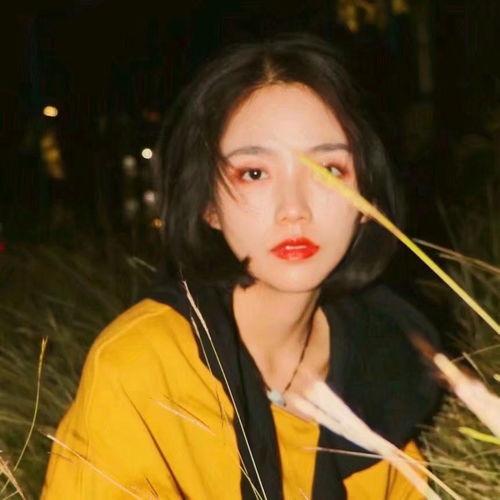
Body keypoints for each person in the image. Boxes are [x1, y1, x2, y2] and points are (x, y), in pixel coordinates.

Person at [42, 34, 440, 499]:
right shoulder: (145, 367)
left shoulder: (382, 361)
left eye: (329, 169)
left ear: (367, 199)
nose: (294, 209)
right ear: (209, 205)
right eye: (254, 173)